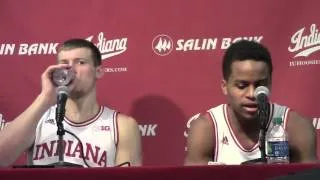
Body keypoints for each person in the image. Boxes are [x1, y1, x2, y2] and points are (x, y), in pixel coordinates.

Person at [0, 39, 142, 167]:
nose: (71, 70)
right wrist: (45, 98)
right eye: (64, 64)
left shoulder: (121, 126)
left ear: (98, 72)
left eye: (80, 62)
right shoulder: (39, 117)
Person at [184, 40, 317, 165]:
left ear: (270, 84)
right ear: (225, 86)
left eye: (260, 85)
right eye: (242, 85)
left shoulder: (295, 126)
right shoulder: (206, 129)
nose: (252, 94)